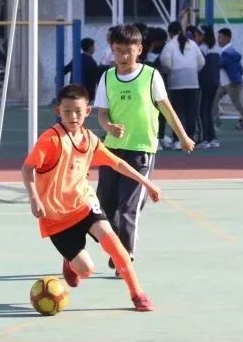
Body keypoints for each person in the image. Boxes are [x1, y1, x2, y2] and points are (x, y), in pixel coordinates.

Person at [23, 84, 160, 312]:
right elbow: (27, 169)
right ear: (58, 111)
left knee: (115, 245)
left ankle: (137, 294)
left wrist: (148, 183)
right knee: (86, 270)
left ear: (88, 111)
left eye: (78, 111)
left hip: (84, 206)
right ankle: (70, 263)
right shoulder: (51, 140)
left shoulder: (90, 140)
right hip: (56, 217)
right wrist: (34, 198)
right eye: (67, 111)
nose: (73, 116)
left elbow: (117, 163)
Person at [94, 24, 194, 274]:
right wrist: (109, 127)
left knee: (127, 208)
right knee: (105, 204)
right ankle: (117, 246)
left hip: (140, 150)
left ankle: (125, 257)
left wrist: (182, 136)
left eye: (128, 51)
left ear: (139, 49)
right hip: (111, 151)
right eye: (118, 51)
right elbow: (102, 114)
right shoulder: (107, 78)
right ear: (112, 51)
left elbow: (166, 108)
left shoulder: (150, 76)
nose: (123, 56)